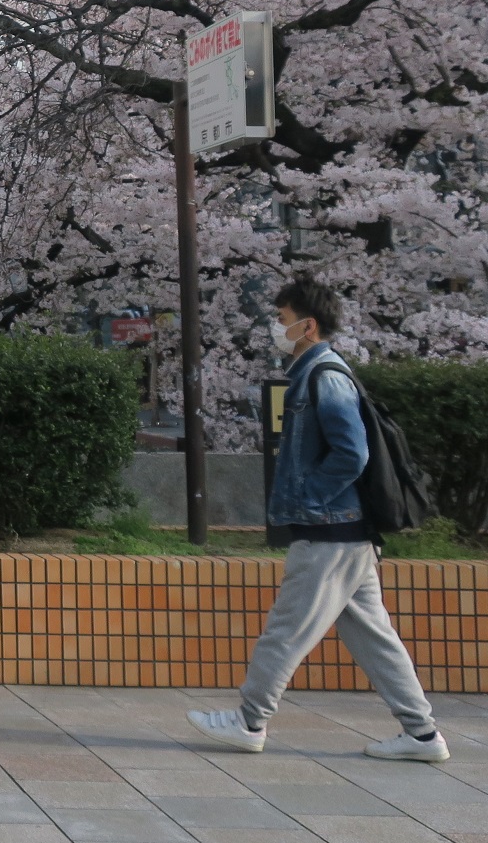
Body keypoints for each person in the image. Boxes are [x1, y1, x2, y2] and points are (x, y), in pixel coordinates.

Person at [187, 276, 447, 763]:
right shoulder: (315, 372)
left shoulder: (324, 376)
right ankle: (422, 734)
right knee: (375, 637)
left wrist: (309, 497)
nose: (275, 329)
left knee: (286, 629)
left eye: (282, 321)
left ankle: (249, 720)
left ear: (307, 325)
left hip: (331, 532)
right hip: (346, 534)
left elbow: (352, 453)